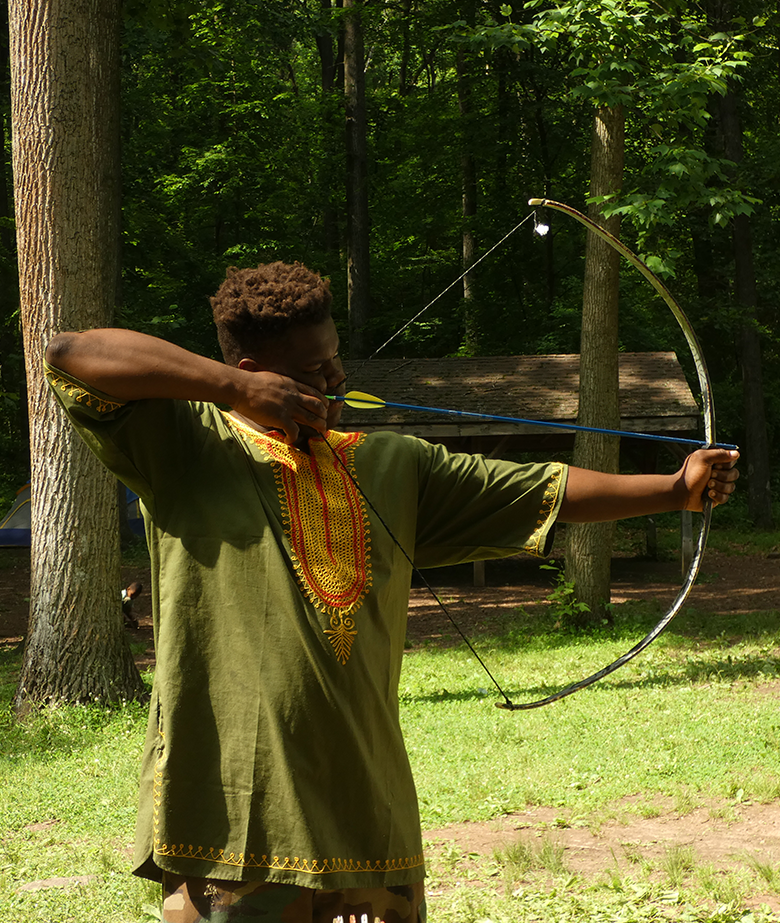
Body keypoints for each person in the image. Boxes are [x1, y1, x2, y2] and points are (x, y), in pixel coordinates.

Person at [45, 262, 739, 923]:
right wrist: (228, 390)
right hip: (230, 830)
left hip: (369, 833)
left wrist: (674, 489)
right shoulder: (183, 446)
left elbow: (534, 487)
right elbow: (72, 353)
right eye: (315, 370)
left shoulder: (387, 464)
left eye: (335, 357)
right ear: (256, 373)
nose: (338, 376)